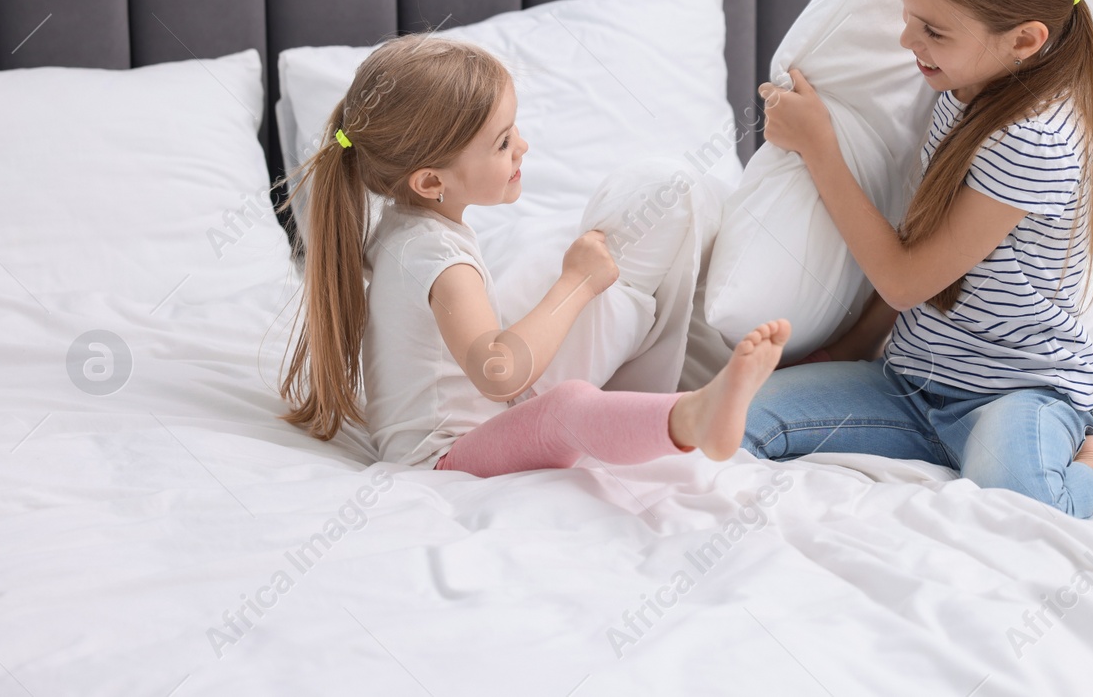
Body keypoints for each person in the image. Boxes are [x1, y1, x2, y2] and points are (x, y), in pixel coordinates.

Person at [744, 0, 1093, 518]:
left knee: (1021, 509)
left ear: (1024, 40)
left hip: (1015, 393)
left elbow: (907, 280)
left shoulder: (1034, 139)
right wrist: (855, 346)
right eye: (910, 17)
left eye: (933, 30)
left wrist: (819, 147)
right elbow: (927, 249)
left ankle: (1088, 462)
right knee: (737, 417)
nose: (906, 41)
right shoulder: (960, 92)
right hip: (911, 383)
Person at [277, 34, 790, 476]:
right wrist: (576, 282)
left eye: (514, 129)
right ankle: (692, 418)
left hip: (464, 435)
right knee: (564, 410)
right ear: (431, 181)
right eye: (502, 143)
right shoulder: (436, 259)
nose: (522, 147)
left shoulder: (404, 229)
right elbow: (499, 373)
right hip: (442, 461)